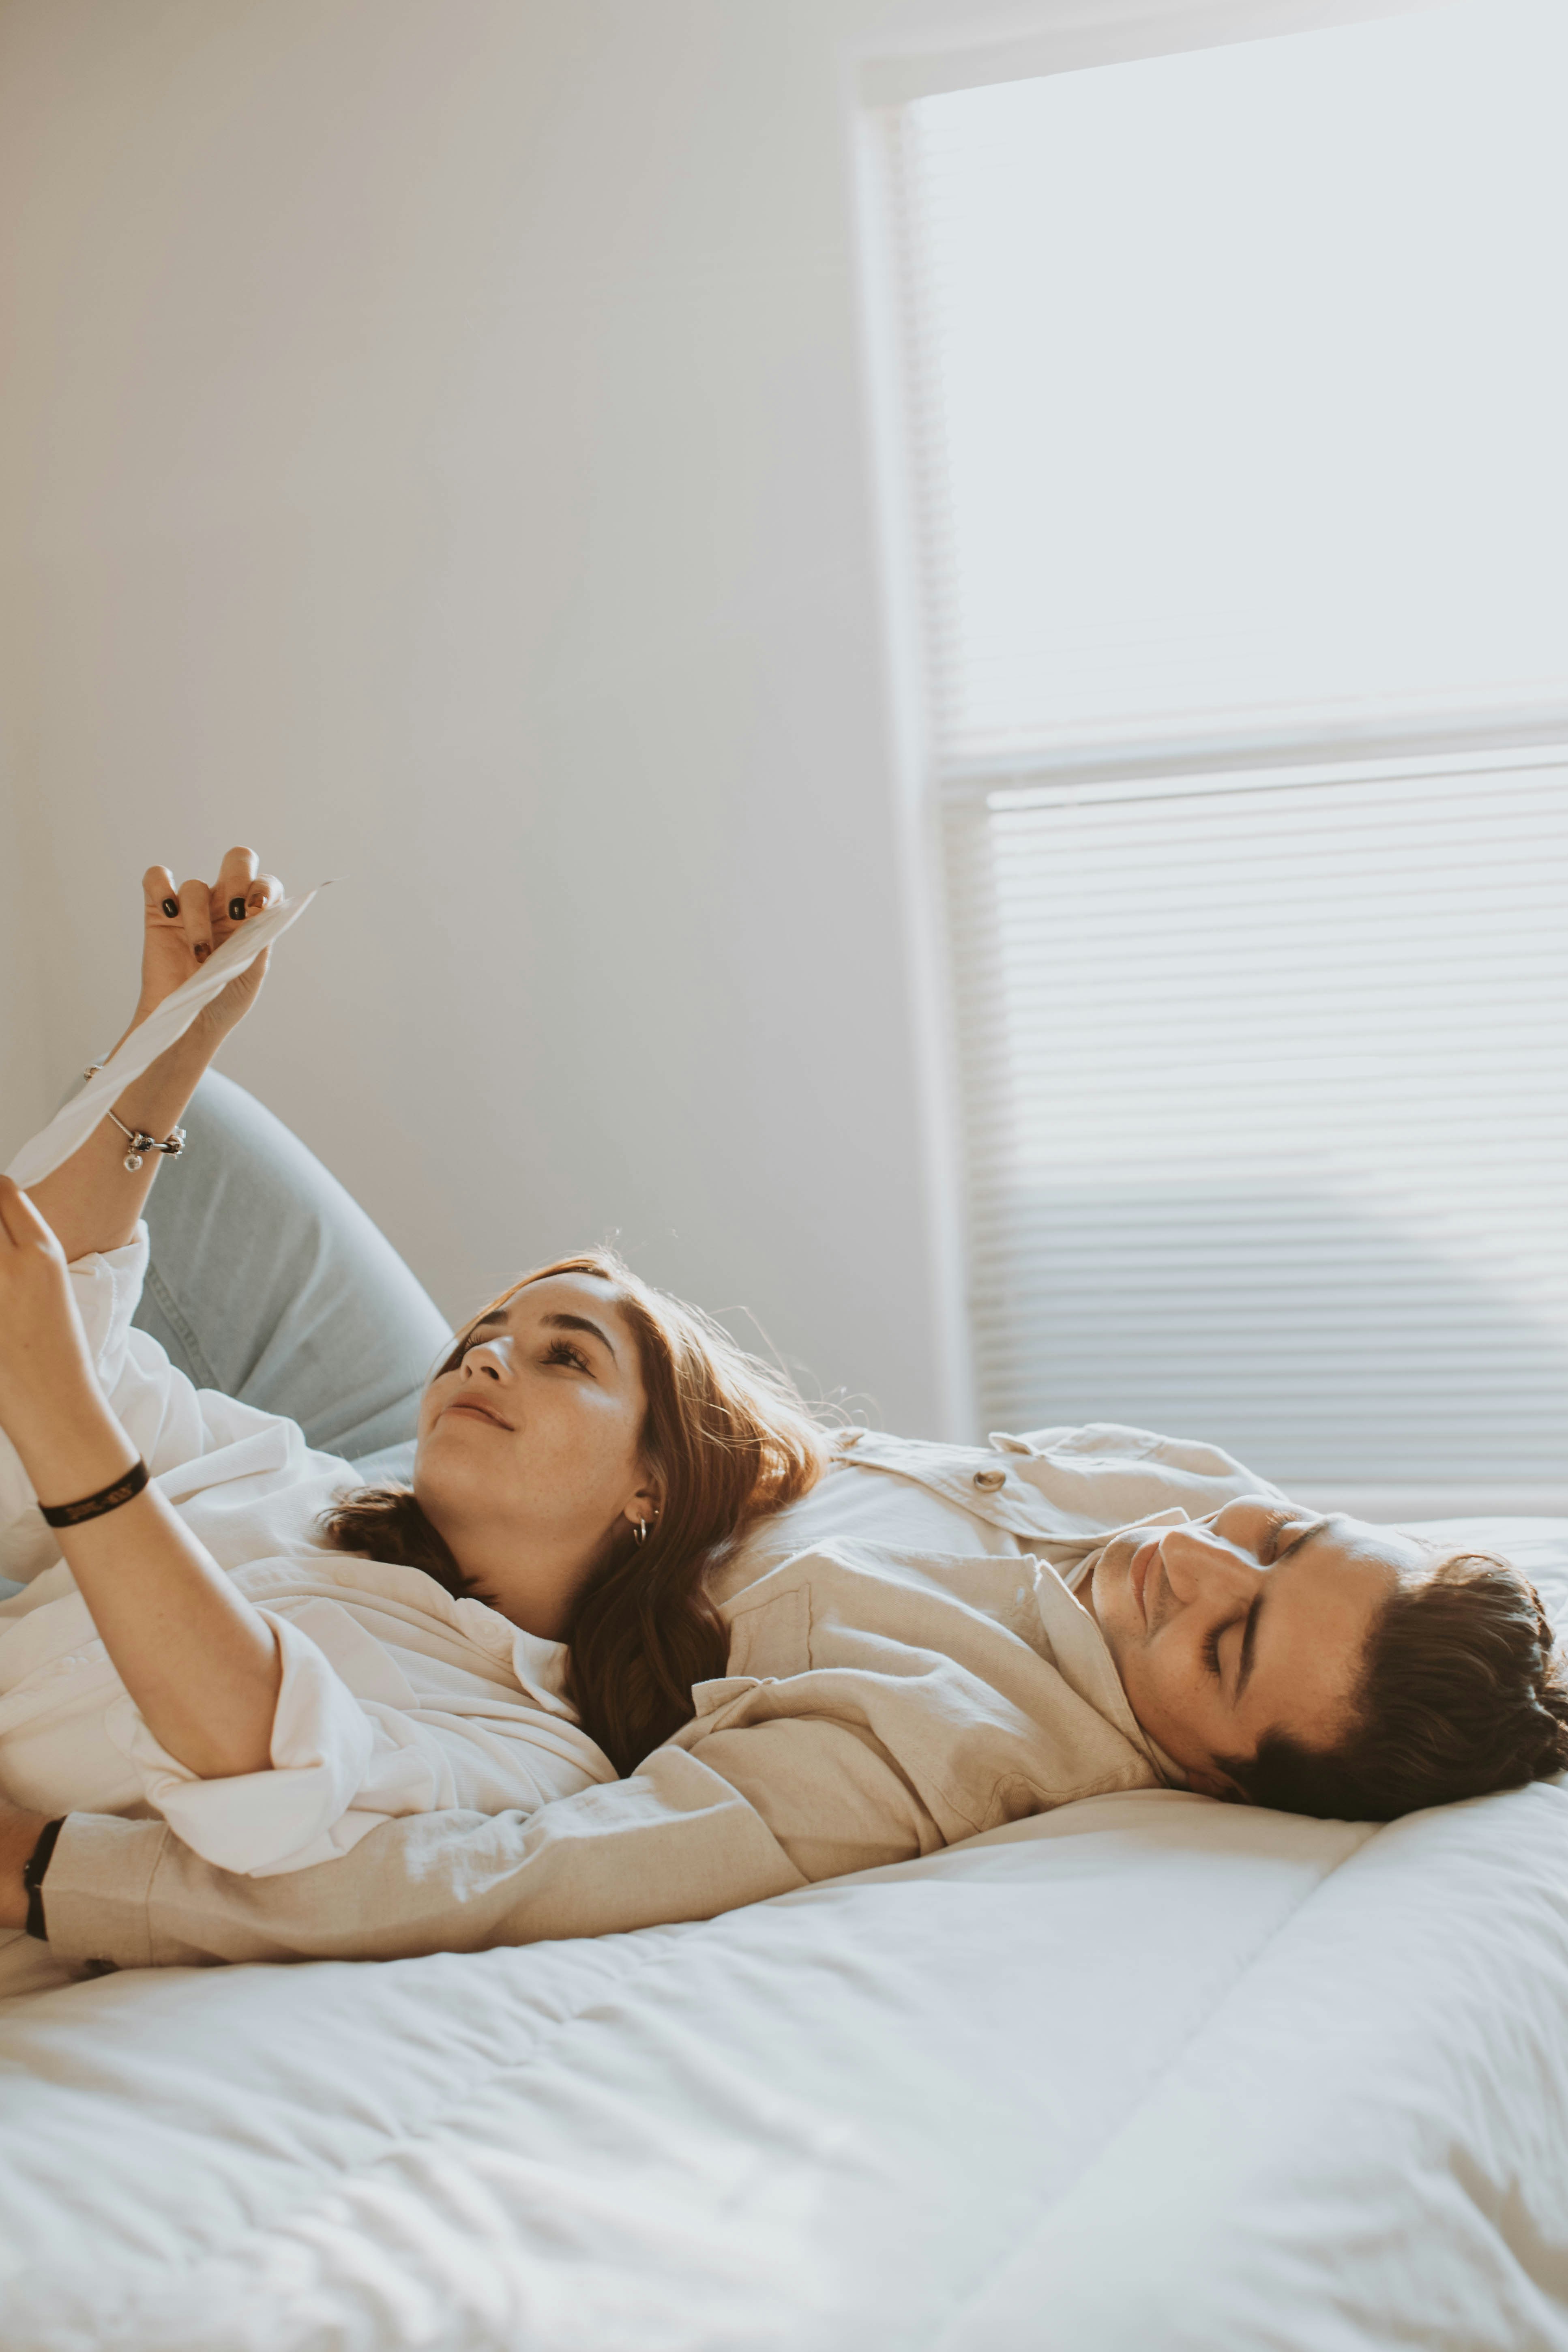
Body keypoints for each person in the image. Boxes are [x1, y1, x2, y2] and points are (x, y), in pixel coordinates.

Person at [0, 851, 1564, 1964]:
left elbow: (499, 1873)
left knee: (78, 1332)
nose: (1193, 1564)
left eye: (1224, 1646)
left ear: (1217, 1776)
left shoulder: (924, 1748)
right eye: (1279, 1537)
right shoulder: (1165, 1499)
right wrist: (166, 1057)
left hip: (515, 1548)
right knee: (179, 1163)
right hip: (450, 1468)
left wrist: (67, 1882)